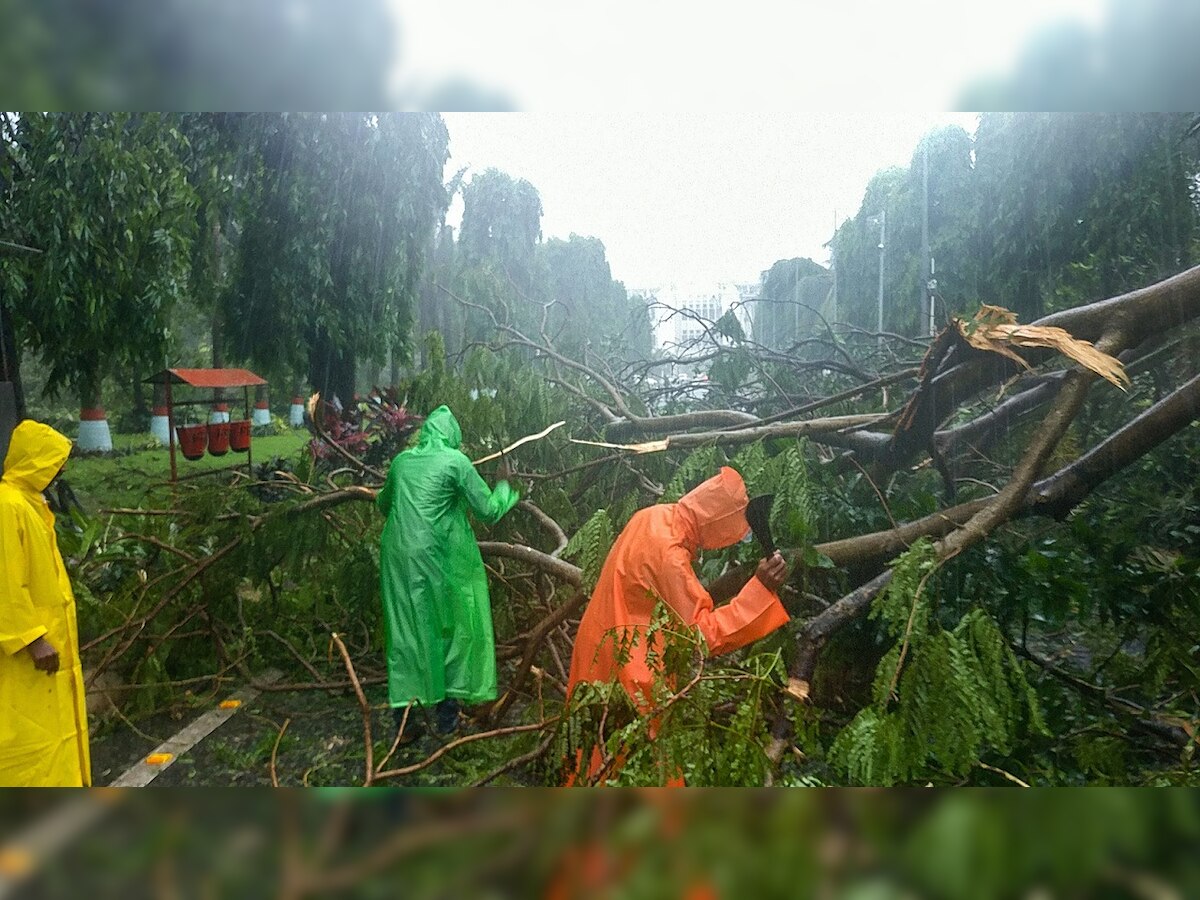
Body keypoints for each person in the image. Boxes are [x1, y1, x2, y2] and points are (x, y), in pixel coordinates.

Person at [565, 465, 789, 784]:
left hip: (597, 645)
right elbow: (699, 636)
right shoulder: (671, 556)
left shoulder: (652, 515)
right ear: (722, 525)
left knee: (589, 751)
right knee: (641, 766)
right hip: (631, 666)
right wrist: (760, 590)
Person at [376, 405, 519, 742]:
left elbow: (384, 505)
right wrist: (505, 487)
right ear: (453, 436)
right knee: (451, 625)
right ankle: (447, 718)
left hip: (396, 558)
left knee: (407, 631)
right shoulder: (456, 462)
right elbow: (488, 511)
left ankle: (404, 721)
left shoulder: (401, 462)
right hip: (437, 557)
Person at [0, 420, 91, 786]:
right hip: (25, 655)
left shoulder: (29, 504)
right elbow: (5, 578)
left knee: (54, 737)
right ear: (36, 461)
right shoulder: (8, 507)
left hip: (48, 649)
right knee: (30, 745)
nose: (61, 471)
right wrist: (31, 639)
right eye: (55, 463)